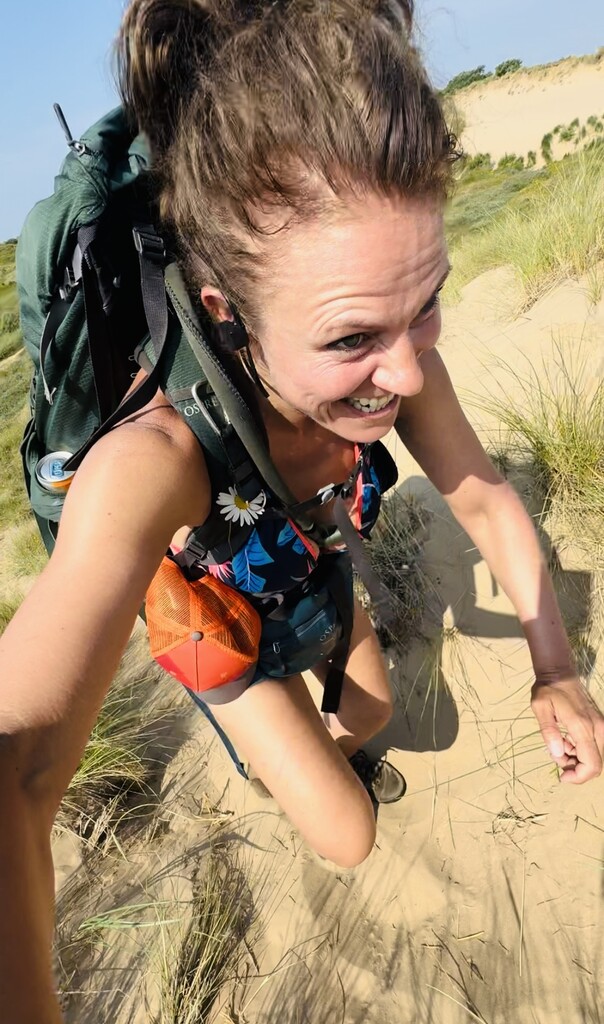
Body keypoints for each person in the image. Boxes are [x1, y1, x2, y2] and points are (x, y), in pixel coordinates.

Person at [1, 0, 603, 1018]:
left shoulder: (396, 363)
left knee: (367, 713)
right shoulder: (153, 459)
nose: (405, 372)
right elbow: (19, 759)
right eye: (351, 338)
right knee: (347, 831)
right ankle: (265, 754)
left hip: (304, 564)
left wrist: (555, 667)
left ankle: (310, 745)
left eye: (427, 299)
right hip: (213, 626)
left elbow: (489, 501)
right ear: (226, 309)